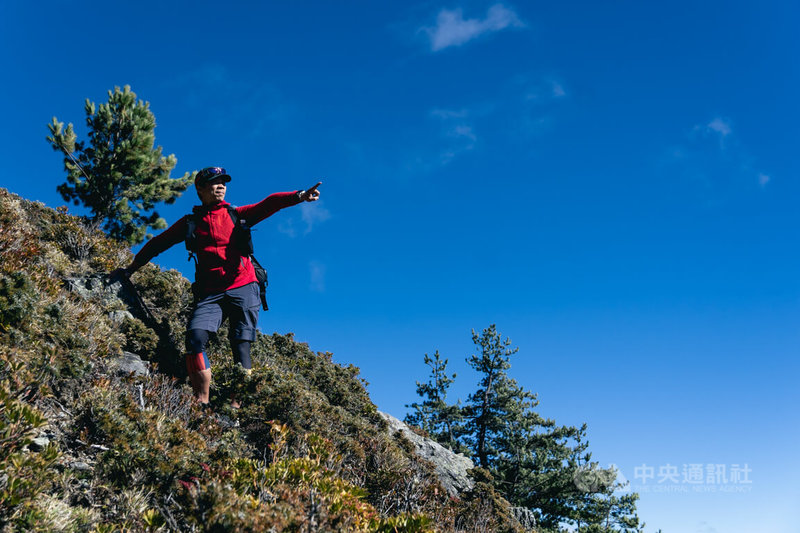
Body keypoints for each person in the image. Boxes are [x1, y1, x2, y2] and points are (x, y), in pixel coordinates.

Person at [115, 166, 321, 406]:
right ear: (200, 189)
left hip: (244, 285)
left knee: (241, 343)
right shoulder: (191, 222)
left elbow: (269, 204)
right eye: (214, 182)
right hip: (210, 292)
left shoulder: (237, 214)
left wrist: (299, 195)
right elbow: (158, 243)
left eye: (223, 181)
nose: (221, 185)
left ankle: (236, 406)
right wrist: (130, 269)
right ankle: (201, 401)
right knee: (194, 338)